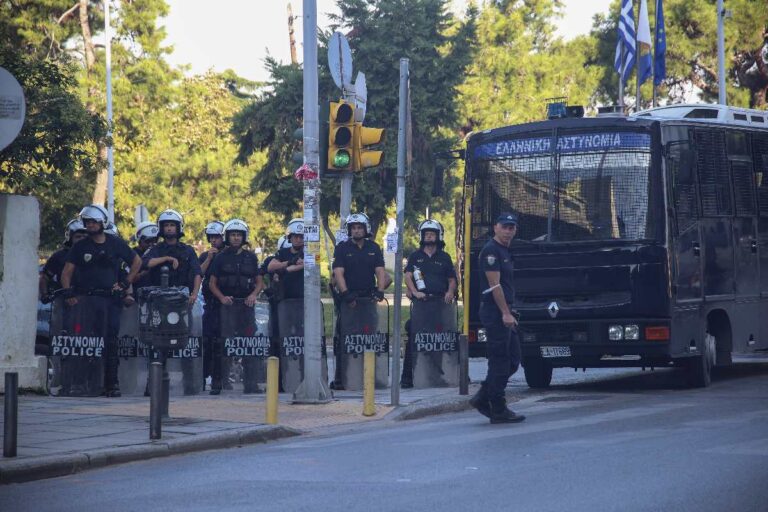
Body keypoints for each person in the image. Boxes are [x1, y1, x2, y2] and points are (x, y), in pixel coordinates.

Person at [60, 204, 142, 397]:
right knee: (84, 342)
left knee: (110, 342)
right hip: (85, 301)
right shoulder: (80, 246)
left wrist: (125, 283)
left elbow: (137, 261)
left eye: (94, 222)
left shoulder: (115, 243)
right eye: (87, 222)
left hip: (110, 301)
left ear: (102, 222)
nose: (90, 225)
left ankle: (111, 384)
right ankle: (80, 383)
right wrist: (68, 293)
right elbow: (66, 273)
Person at [469, 213, 526, 424]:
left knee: (513, 360)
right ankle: (497, 407)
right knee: (500, 361)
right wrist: (505, 313)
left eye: (512, 227)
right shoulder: (491, 251)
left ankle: (483, 397)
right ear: (495, 227)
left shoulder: (505, 250)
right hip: (495, 312)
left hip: (504, 310)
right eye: (505, 226)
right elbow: (495, 285)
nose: (509, 230)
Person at [141, 209, 203, 395]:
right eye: (166, 225)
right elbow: (145, 264)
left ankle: (190, 384)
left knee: (186, 342)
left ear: (178, 228)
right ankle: (153, 386)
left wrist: (194, 294)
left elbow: (197, 274)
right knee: (157, 344)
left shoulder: (187, 250)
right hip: (159, 303)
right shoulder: (156, 249)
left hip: (181, 303)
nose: (169, 229)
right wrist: (166, 259)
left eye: (172, 225)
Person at [331, 212, 391, 389]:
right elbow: (338, 273)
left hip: (368, 300)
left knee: (370, 338)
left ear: (366, 230)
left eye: (359, 228)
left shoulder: (374, 247)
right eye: (354, 228)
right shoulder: (342, 248)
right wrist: (346, 293)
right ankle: (343, 379)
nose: (356, 231)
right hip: (350, 300)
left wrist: (379, 291)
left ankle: (371, 377)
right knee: (346, 340)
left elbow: (380, 272)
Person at [208, 219, 264, 394]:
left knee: (249, 344)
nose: (235, 238)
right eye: (232, 235)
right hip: (226, 308)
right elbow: (212, 283)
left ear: (244, 237)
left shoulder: (251, 257)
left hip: (246, 307)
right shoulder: (220, 258)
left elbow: (260, 282)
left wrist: (253, 295)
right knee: (223, 344)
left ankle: (251, 383)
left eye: (239, 235)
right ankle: (220, 382)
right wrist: (222, 297)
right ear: (227, 236)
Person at [400, 219, 458, 388]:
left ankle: (441, 375)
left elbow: (452, 279)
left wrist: (450, 292)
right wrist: (414, 291)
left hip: (440, 304)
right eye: (426, 234)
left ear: (438, 236)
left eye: (432, 234)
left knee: (441, 339)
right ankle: (408, 377)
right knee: (415, 337)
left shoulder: (445, 257)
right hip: (422, 305)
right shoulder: (415, 256)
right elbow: (408, 276)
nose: (429, 237)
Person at [199, 221, 225, 390]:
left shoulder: (229, 254)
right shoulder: (205, 256)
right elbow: (198, 273)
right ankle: (203, 375)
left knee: (224, 343)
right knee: (208, 341)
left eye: (217, 237)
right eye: (212, 238)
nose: (214, 241)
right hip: (211, 304)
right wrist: (208, 258)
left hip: (229, 305)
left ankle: (222, 378)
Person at [39, 218, 88, 300]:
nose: (82, 239)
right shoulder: (59, 256)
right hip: (64, 300)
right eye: (78, 236)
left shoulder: (97, 254)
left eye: (85, 237)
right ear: (69, 238)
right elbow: (45, 277)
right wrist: (45, 295)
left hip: (90, 301)